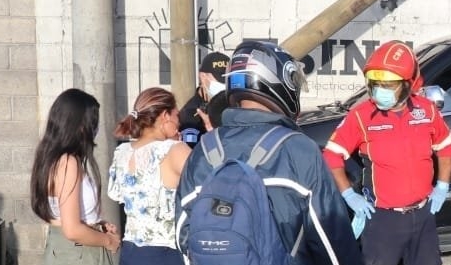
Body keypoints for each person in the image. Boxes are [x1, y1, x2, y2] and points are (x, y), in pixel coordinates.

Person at [174, 40, 362, 265]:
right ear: (278, 83)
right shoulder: (298, 149)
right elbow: (331, 239)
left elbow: (183, 233)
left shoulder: (204, 150)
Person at [323, 40, 451, 265]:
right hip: (383, 221)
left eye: (388, 85)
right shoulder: (361, 116)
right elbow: (331, 156)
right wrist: (349, 195)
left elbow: (447, 147)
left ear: (408, 84)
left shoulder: (426, 110)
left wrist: (442, 186)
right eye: (375, 84)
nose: (380, 92)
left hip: (423, 215)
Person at [29, 88, 121, 264]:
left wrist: (97, 225)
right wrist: (109, 241)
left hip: (66, 248)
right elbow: (72, 230)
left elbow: (64, 215)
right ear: (80, 125)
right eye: (93, 123)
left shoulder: (51, 157)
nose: (95, 130)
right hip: (77, 251)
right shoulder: (68, 162)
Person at [108, 87, 191, 265]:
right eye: (177, 116)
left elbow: (117, 195)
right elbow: (207, 185)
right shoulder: (174, 150)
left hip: (131, 251)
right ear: (165, 116)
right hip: (166, 252)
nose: (179, 123)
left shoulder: (121, 152)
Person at [177, 51, 229, 144]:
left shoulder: (234, 105)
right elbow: (190, 153)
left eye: (228, 79)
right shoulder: (190, 115)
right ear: (203, 77)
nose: (225, 84)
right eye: (220, 79)